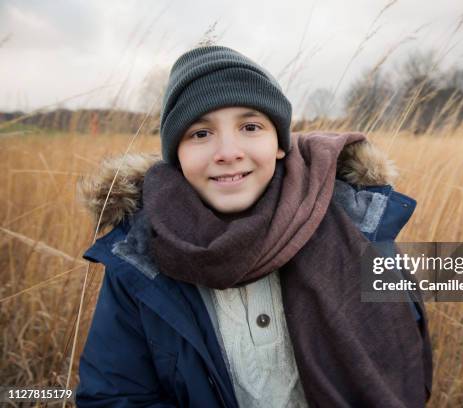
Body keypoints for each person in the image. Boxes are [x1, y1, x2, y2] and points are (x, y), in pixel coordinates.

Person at [76, 45, 432, 407]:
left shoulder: (353, 223)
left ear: (278, 143)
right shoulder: (141, 254)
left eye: (250, 127)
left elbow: (405, 355)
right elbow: (113, 396)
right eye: (200, 133)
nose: (228, 152)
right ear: (177, 155)